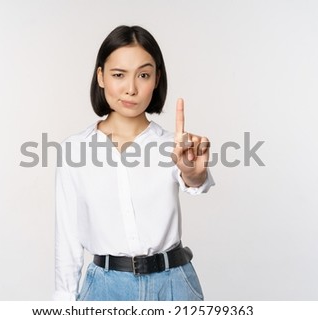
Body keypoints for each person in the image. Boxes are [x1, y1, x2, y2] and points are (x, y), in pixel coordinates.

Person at [54, 25, 215, 301]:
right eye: (119, 75)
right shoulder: (73, 150)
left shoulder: (173, 146)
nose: (131, 89)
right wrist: (63, 305)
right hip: (105, 289)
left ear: (156, 79)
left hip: (174, 286)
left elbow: (196, 181)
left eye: (143, 75)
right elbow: (67, 240)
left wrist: (192, 173)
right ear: (101, 76)